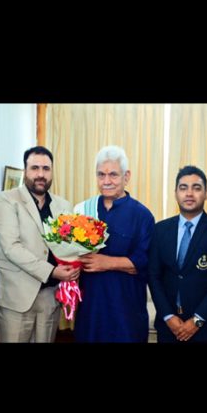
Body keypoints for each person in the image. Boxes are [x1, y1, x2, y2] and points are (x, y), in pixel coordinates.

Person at [0, 146, 79, 343]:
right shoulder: (6, 200)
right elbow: (12, 248)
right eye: (35, 168)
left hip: (50, 297)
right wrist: (52, 271)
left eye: (46, 169)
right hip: (16, 298)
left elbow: (70, 246)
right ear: (25, 170)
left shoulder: (64, 206)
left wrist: (73, 267)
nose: (41, 174)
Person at [74, 145, 155, 342]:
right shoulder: (84, 211)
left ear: (126, 177)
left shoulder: (142, 216)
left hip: (126, 311)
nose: (106, 181)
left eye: (113, 175)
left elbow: (145, 262)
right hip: (91, 309)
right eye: (101, 175)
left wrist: (106, 263)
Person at [149, 165, 207, 343]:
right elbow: (154, 276)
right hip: (169, 327)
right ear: (175, 193)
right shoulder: (160, 229)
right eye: (183, 188)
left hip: (206, 327)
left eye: (196, 188)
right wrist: (167, 316)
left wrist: (197, 320)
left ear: (206, 194)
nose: (189, 193)